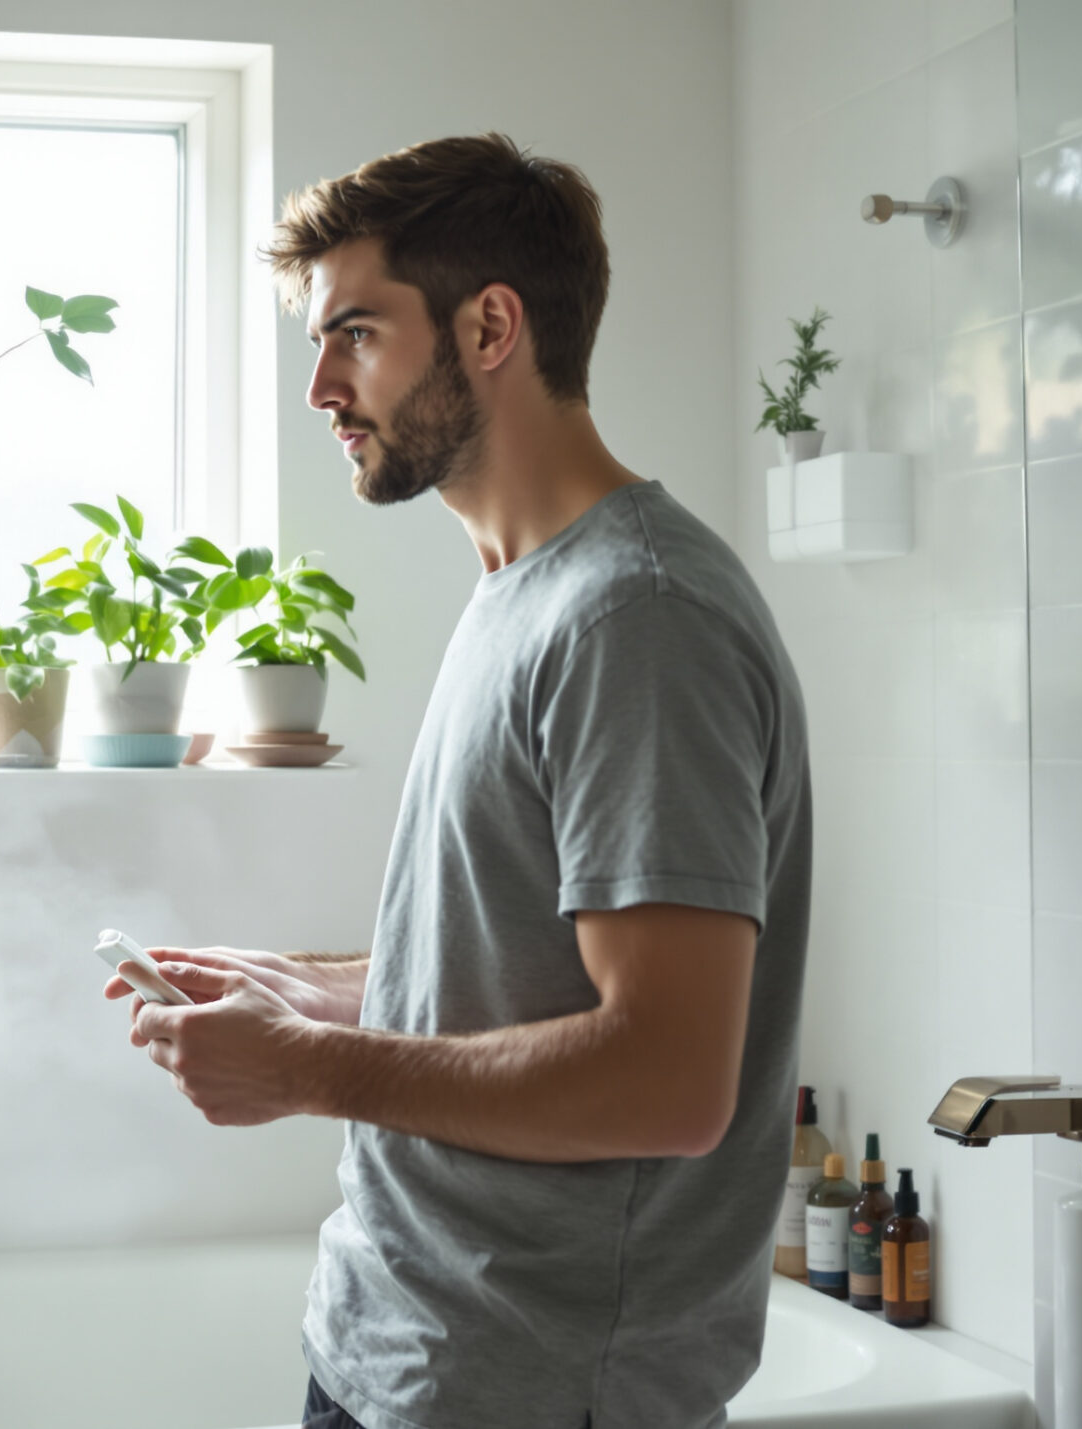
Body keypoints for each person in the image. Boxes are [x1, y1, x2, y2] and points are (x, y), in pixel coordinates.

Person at [104, 134, 813, 1429]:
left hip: (525, 1389)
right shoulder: (524, 590)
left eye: (357, 333)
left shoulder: (636, 617)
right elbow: (520, 977)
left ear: (491, 326)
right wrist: (311, 991)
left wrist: (313, 1071)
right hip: (412, 1347)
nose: (320, 383)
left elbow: (668, 1074)